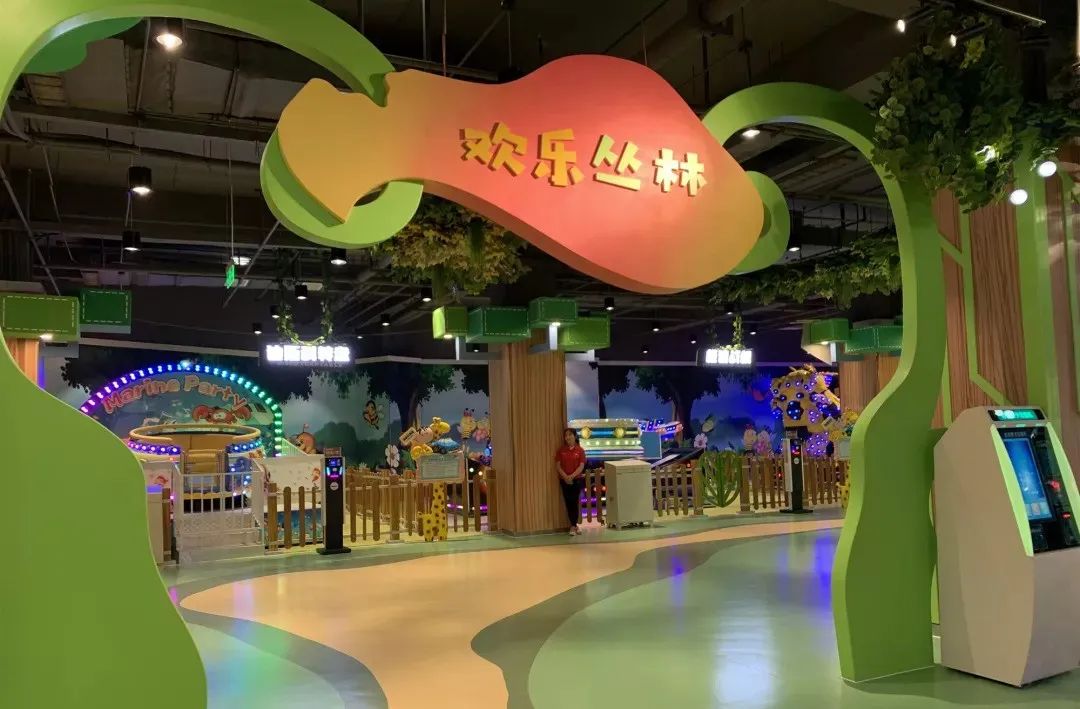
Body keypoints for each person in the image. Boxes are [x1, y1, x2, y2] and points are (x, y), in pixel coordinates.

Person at [555, 428, 586, 535]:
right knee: (568, 502)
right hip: (564, 481)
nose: (567, 437)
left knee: (575, 502)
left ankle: (574, 525)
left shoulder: (580, 450)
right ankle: (573, 526)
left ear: (574, 436)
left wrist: (572, 476)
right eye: (566, 435)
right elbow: (558, 466)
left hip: (576, 480)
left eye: (570, 435)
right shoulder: (561, 450)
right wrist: (565, 477)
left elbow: (581, 466)